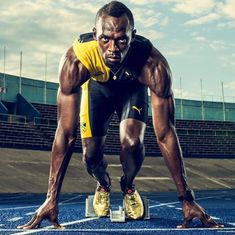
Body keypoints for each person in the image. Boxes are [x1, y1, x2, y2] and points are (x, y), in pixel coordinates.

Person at [18, 1, 223, 229]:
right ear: (95, 34)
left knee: (132, 142)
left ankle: (128, 185)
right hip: (98, 91)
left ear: (132, 36)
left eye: (121, 40)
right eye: (105, 39)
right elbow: (65, 133)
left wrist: (188, 199)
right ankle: (103, 184)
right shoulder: (75, 61)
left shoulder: (153, 66)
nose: (113, 48)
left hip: (131, 89)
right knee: (90, 156)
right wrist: (51, 198)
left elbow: (165, 134)